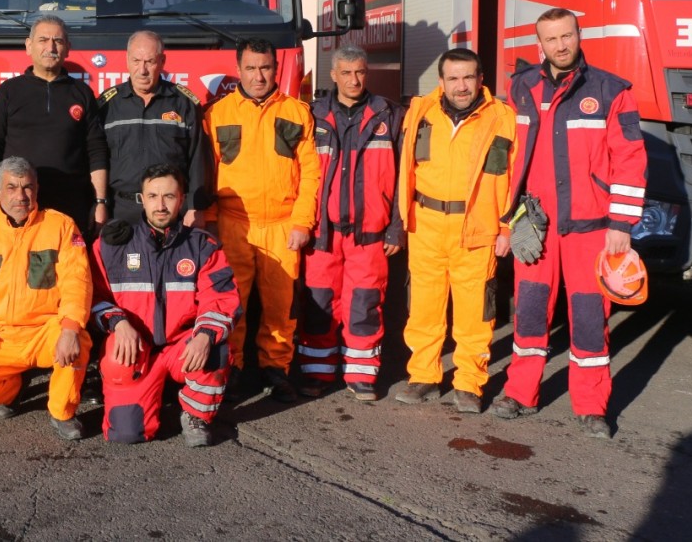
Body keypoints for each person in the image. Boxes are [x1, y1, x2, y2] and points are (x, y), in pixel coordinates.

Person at [492, 9, 648, 439]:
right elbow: (506, 157)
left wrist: (622, 223)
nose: (560, 45)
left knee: (587, 317)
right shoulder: (521, 88)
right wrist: (508, 218)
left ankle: (592, 406)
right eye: (550, 39)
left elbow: (631, 161)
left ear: (579, 35)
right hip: (534, 225)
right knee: (528, 312)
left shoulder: (611, 91)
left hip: (592, 227)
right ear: (538, 45)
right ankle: (520, 394)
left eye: (567, 36)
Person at [394, 48, 517, 414]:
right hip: (426, 224)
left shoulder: (502, 118)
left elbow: (515, 179)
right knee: (424, 309)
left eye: (468, 78)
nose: (461, 86)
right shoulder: (421, 112)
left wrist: (507, 227)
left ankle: (469, 383)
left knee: (474, 313)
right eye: (453, 78)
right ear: (442, 82)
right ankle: (424, 377)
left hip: (477, 228)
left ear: (481, 79)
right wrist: (402, 222)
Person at [202, 38, 320, 402]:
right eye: (251, 68)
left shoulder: (298, 112)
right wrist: (210, 226)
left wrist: (302, 223)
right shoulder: (217, 114)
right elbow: (207, 172)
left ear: (277, 69)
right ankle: (231, 367)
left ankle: (276, 369)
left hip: (283, 225)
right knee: (232, 302)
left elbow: (311, 172)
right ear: (238, 70)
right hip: (233, 224)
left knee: (280, 306)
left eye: (266, 67)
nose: (258, 75)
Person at [0, 157, 92, 441]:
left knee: (79, 342)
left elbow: (77, 282)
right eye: (11, 188)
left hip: (45, 333)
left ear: (36, 190)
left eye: (27, 188)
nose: (20, 196)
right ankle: (13, 386)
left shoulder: (61, 226)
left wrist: (71, 328)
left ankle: (62, 411)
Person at [92, 165, 240, 447]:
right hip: (136, 348)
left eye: (169, 196)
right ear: (142, 199)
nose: (160, 205)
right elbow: (91, 296)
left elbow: (221, 298)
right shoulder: (114, 245)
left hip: (180, 347)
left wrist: (205, 335)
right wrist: (117, 323)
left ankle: (196, 414)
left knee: (217, 347)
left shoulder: (202, 246)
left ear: (181, 199)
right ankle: (148, 395)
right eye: (153, 196)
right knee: (126, 434)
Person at [298, 44, 404, 401]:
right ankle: (317, 371)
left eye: (360, 72)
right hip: (322, 234)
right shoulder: (312, 116)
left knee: (364, 302)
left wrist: (396, 227)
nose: (354, 79)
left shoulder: (388, 114)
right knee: (319, 303)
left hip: (369, 234)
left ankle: (362, 374)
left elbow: (407, 176)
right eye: (346, 73)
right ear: (333, 75)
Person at [0, 15, 109, 238]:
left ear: (67, 48)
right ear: (29, 46)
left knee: (71, 270)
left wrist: (99, 202)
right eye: (43, 40)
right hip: (19, 205)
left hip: (71, 205)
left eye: (58, 41)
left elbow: (96, 151)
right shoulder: (8, 92)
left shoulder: (82, 93)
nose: (50, 47)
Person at [96, 30, 211, 225]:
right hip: (121, 212)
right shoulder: (107, 105)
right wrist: (98, 205)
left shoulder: (183, 103)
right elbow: (96, 159)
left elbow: (199, 160)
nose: (142, 70)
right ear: (126, 60)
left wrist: (195, 207)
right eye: (136, 61)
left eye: (149, 61)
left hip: (170, 212)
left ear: (162, 61)